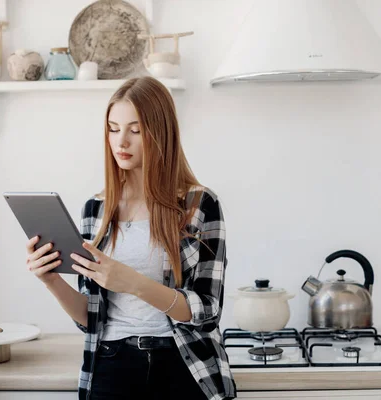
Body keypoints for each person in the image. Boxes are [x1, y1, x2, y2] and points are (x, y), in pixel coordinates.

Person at [24, 77, 236, 400]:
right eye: (113, 128)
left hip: (183, 364)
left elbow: (207, 310)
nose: (121, 141)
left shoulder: (199, 205)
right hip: (111, 365)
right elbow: (90, 316)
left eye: (135, 131)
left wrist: (133, 282)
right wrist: (50, 279)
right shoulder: (96, 210)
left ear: (160, 133)